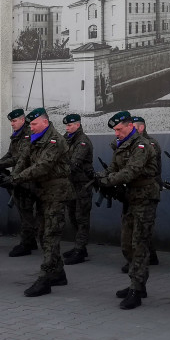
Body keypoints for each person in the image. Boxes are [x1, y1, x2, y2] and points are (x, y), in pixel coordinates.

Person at [98, 110, 159, 311]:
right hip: (130, 199)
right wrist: (100, 177)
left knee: (139, 244)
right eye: (115, 130)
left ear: (130, 126)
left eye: (119, 129)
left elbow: (131, 170)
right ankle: (137, 283)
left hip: (144, 198)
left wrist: (109, 180)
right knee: (127, 244)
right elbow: (113, 168)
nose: (116, 133)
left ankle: (137, 289)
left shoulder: (142, 145)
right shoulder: (122, 145)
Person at [8, 108, 73, 297]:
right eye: (30, 124)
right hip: (42, 193)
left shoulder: (56, 140)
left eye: (34, 124)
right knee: (42, 233)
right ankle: (58, 273)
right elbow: (23, 159)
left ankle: (45, 279)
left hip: (56, 193)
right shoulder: (32, 137)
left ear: (45, 122)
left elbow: (42, 166)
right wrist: (14, 176)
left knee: (50, 235)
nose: (31, 127)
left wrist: (18, 178)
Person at [0, 108, 38, 257]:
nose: (12, 124)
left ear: (22, 119)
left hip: (27, 179)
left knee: (26, 212)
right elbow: (10, 153)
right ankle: (30, 240)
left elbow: (19, 158)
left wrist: (1, 165)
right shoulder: (17, 135)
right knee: (23, 211)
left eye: (14, 121)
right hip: (17, 177)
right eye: (11, 121)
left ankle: (26, 243)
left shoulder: (28, 135)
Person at [62, 113, 94, 266]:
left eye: (70, 125)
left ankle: (80, 250)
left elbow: (73, 164)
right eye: (66, 125)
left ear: (78, 124)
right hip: (71, 184)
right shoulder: (67, 138)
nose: (67, 128)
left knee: (82, 218)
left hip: (82, 185)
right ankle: (79, 247)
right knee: (73, 216)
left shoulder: (82, 142)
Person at [132, 117, 161, 268]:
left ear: (141, 127)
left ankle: (144, 260)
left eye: (134, 127)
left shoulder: (150, 144)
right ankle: (150, 256)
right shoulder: (132, 143)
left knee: (143, 227)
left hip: (148, 190)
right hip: (136, 191)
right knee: (141, 227)